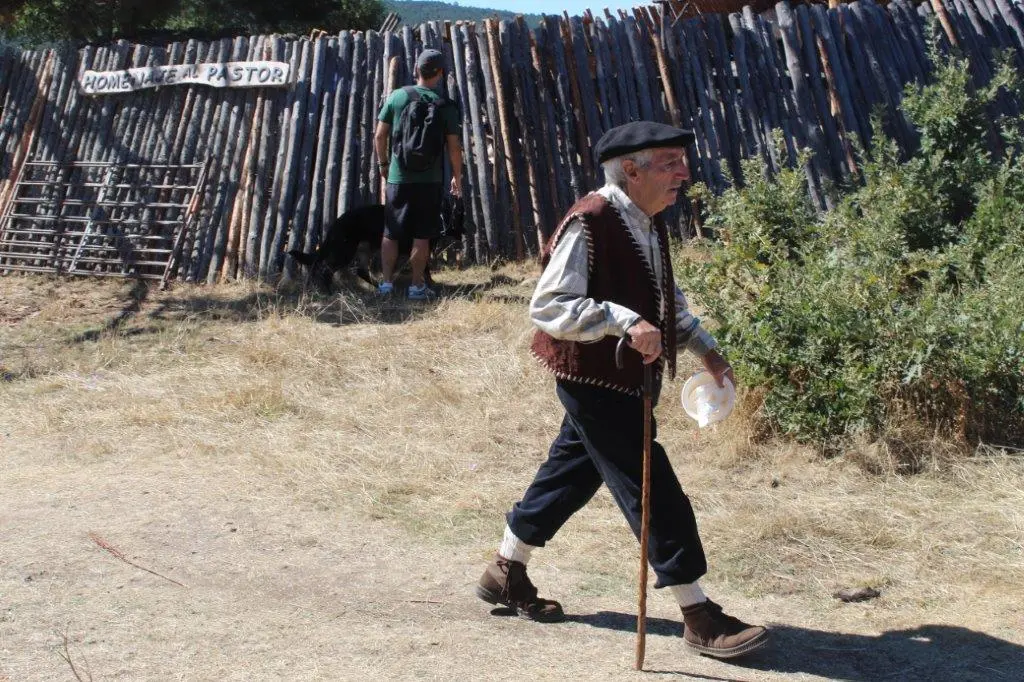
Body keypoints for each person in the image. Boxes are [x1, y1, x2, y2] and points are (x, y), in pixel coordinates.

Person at [476, 121, 769, 659]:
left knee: (570, 472)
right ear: (630, 169)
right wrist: (622, 321)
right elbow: (548, 306)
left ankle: (505, 569)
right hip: (594, 379)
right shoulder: (590, 222)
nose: (684, 172)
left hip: (625, 378)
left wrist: (703, 345)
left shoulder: (648, 220)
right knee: (652, 487)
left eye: (683, 159)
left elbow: (661, 295)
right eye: (669, 161)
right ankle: (698, 615)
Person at [374, 48, 463, 299]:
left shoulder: (397, 97)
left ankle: (387, 284)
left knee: (391, 233)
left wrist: (383, 164)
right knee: (421, 235)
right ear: (440, 73)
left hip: (397, 178)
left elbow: (380, 136)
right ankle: (416, 286)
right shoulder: (446, 106)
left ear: (417, 70)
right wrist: (457, 176)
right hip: (429, 180)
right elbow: (454, 147)